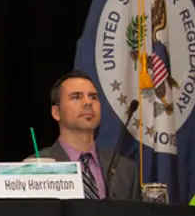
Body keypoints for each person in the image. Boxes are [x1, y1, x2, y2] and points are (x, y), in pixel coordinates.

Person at [40, 71, 138, 200]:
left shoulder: (125, 170)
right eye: (76, 97)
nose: (88, 102)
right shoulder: (38, 167)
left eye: (93, 97)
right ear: (56, 112)